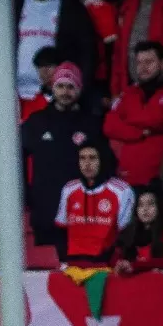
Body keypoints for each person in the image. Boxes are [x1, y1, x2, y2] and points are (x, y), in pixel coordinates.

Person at [22, 62, 106, 259]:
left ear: (79, 89)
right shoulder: (36, 121)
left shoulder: (92, 123)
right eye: (60, 86)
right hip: (45, 207)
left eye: (70, 87)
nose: (65, 92)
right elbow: (16, 159)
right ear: (53, 87)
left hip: (83, 211)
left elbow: (104, 162)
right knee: (48, 270)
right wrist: (25, 193)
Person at [55, 142, 135, 319]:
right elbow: (61, 229)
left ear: (103, 160)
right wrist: (64, 262)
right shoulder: (69, 189)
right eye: (82, 158)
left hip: (106, 271)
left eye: (92, 158)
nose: (87, 163)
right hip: (72, 270)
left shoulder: (122, 190)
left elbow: (126, 233)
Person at [103, 41, 163, 185]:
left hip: (161, 177)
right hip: (126, 176)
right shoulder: (129, 92)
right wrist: (140, 133)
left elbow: (159, 119)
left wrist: (128, 122)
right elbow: (109, 125)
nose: (143, 68)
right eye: (139, 63)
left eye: (149, 62)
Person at [14, 0, 96, 103]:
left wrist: (78, 91)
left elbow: (87, 53)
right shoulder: (12, 5)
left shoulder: (71, 8)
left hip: (55, 98)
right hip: (13, 95)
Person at [113, 186, 163, 275]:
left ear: (159, 206)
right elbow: (115, 259)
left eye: (151, 204)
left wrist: (137, 266)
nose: (145, 209)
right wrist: (121, 265)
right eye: (140, 205)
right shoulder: (127, 232)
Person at [21, 46, 62, 121]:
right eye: (40, 67)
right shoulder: (29, 105)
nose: (44, 71)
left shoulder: (71, 100)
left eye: (49, 66)